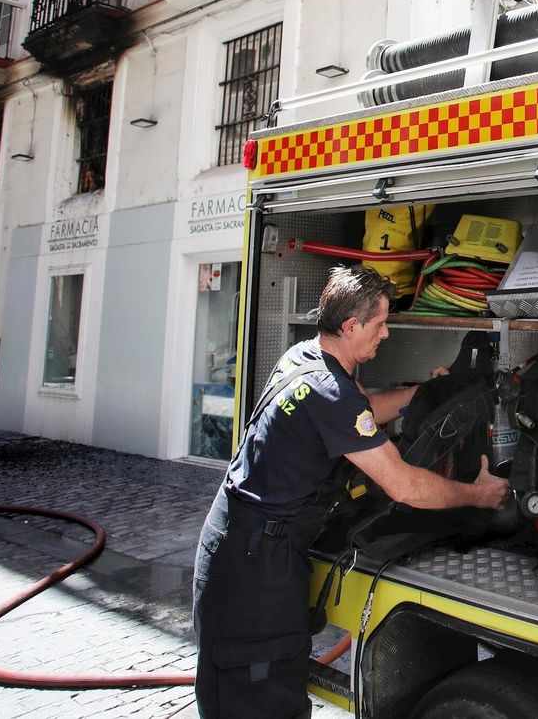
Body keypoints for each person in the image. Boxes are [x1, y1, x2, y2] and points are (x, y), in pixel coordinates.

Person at [193, 266, 508, 719]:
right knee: (260, 701)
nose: (385, 334)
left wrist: (432, 391)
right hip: (253, 564)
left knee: (267, 688)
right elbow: (404, 485)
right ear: (351, 326)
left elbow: (365, 410)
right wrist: (476, 496)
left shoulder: (307, 357)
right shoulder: (330, 391)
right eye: (380, 324)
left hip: (245, 543)